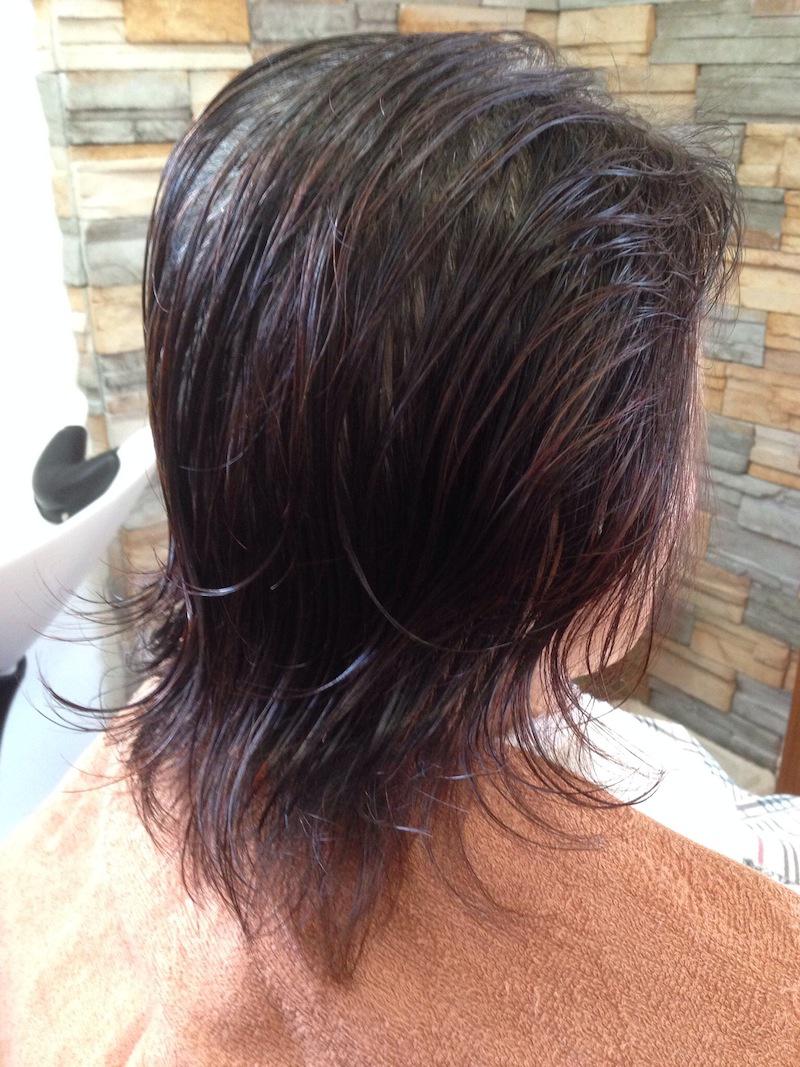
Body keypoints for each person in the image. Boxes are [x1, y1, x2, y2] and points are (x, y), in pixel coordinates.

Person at [2, 32, 799, 1066]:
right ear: (561, 508)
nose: (689, 486)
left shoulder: (162, 738)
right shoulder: (699, 898)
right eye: (681, 425)